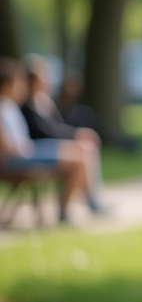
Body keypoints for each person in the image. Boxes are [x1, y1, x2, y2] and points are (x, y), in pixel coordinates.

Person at [0, 58, 92, 224]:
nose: (21, 87)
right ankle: (66, 212)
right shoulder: (3, 108)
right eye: (17, 83)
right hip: (17, 158)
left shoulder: (10, 107)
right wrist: (24, 149)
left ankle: (76, 206)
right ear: (6, 85)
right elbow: (7, 148)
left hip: (24, 152)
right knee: (78, 160)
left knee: (79, 153)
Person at [20, 54, 111, 213]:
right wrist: (75, 135)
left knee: (86, 147)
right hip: (42, 147)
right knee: (82, 152)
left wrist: (76, 134)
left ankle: (90, 199)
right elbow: (44, 131)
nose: (47, 81)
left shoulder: (44, 101)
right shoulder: (27, 106)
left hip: (53, 145)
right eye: (43, 77)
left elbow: (58, 125)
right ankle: (80, 204)